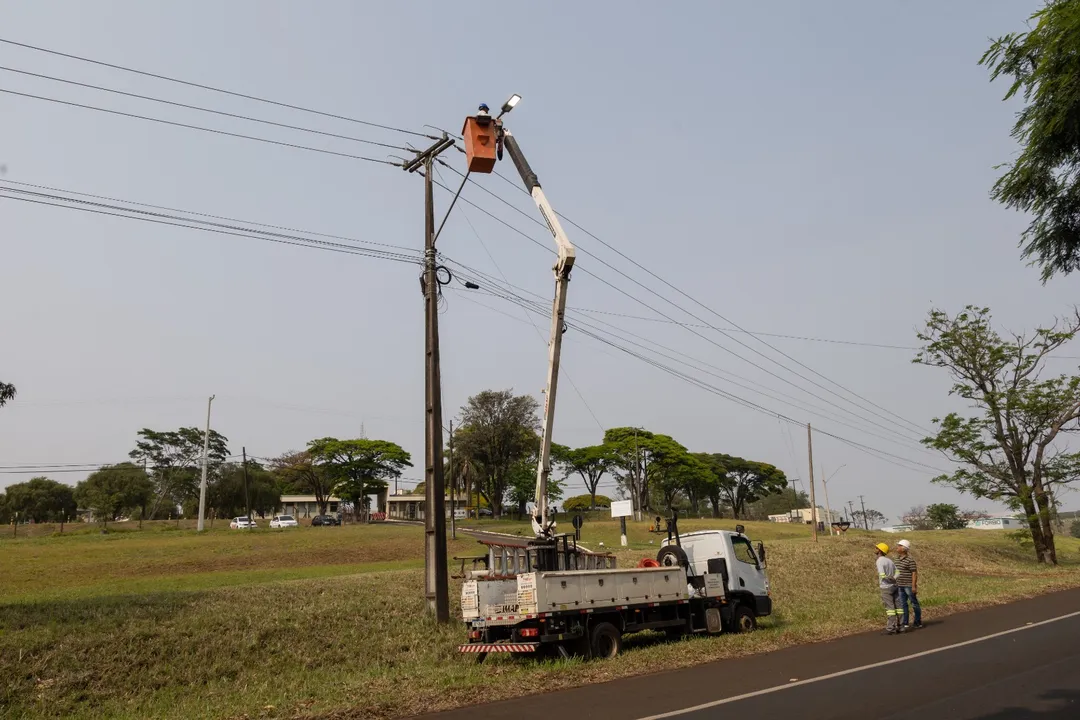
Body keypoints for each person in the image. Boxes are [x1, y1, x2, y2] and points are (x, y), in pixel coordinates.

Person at [895, 539, 922, 631]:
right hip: (900, 585)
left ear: (904, 548)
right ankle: (905, 622)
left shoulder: (910, 560)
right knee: (903, 604)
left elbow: (914, 573)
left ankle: (918, 622)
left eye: (899, 546)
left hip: (908, 585)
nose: (897, 547)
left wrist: (914, 586)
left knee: (914, 603)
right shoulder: (897, 559)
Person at [875, 542, 900, 635]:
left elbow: (881, 574)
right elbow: (898, 571)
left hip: (885, 587)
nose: (876, 549)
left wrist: (887, 579)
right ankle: (901, 626)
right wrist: (894, 578)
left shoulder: (879, 561)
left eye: (877, 548)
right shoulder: (890, 561)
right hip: (894, 586)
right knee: (899, 607)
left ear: (880, 551)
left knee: (890, 608)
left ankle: (891, 628)